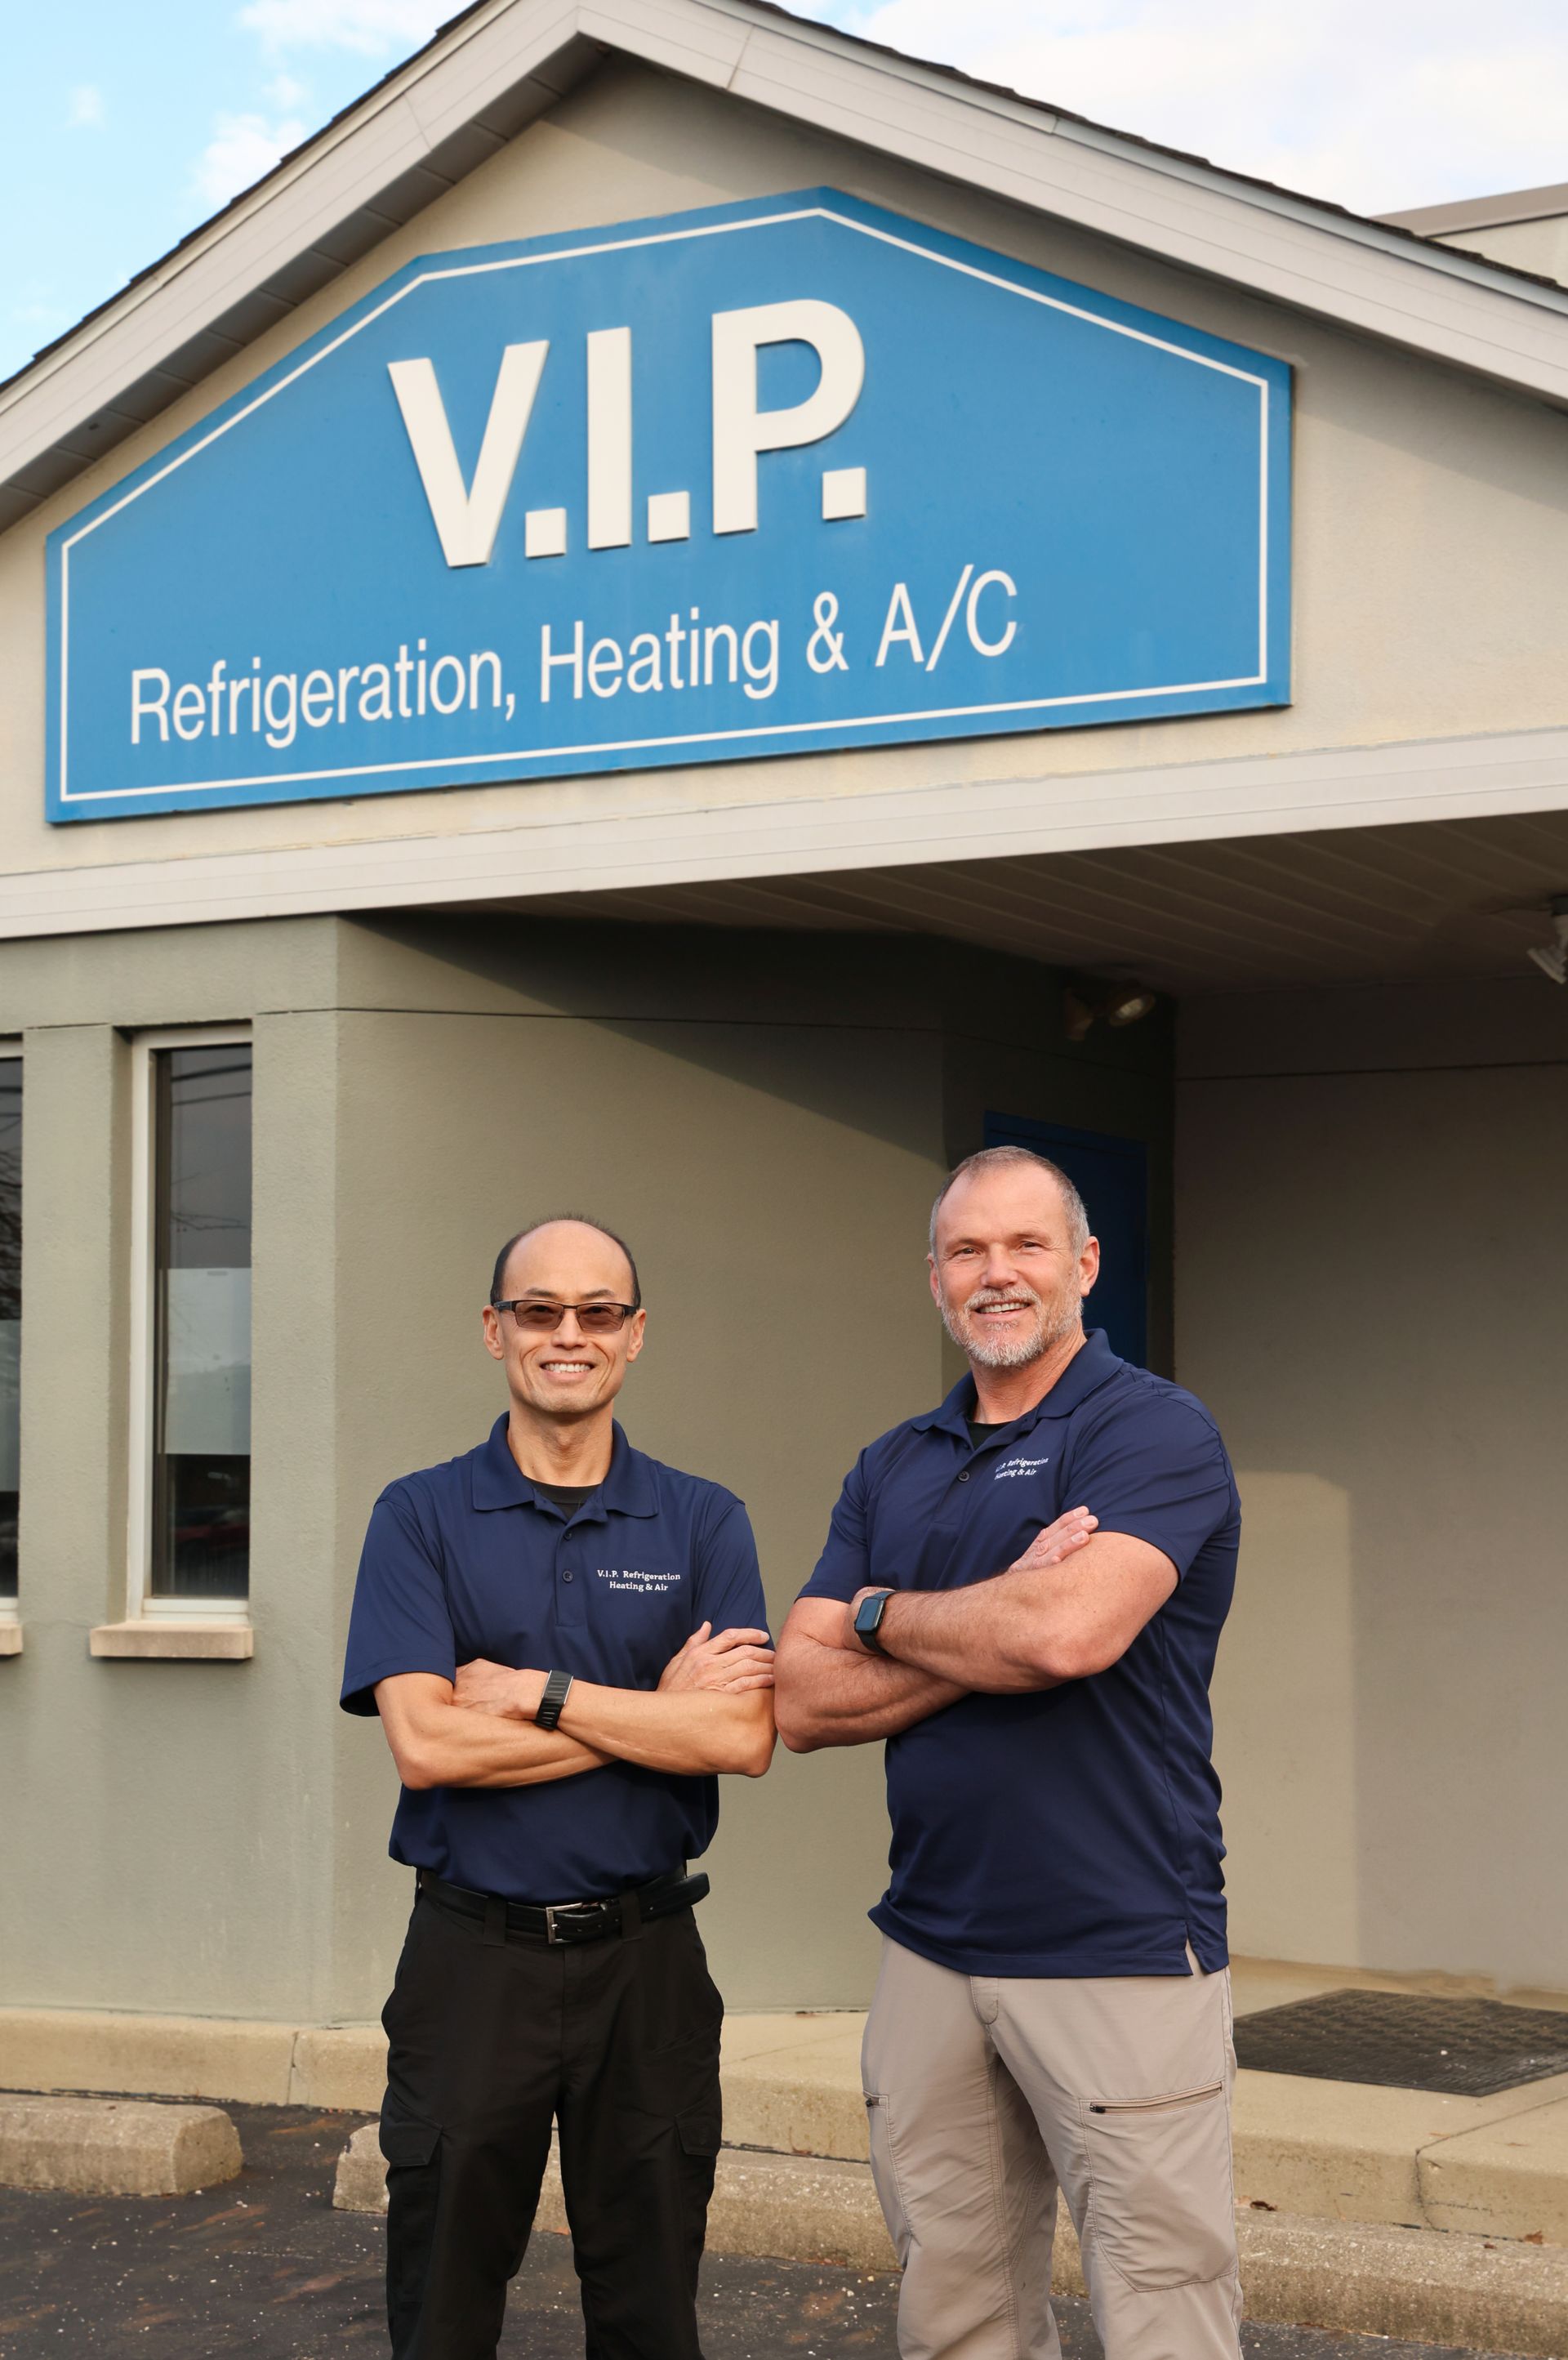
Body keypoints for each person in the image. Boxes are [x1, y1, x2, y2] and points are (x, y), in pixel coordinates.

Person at [774, 1144, 1244, 2360]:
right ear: (934, 1278)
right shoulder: (894, 1460)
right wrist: (987, 1610)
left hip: (1118, 1943)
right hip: (930, 1943)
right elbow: (803, 1697)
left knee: (1163, 2306)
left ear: (1084, 1264)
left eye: (1027, 1244)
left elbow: (1069, 1631)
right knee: (956, 2299)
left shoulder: (1154, 1430)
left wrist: (879, 1610)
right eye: (968, 1250)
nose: (998, 1273)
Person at [341, 1214, 775, 2360]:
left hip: (650, 1966)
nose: (568, 1334)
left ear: (636, 1336)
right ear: (496, 1330)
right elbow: (427, 1746)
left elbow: (742, 1733)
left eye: (598, 1312)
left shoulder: (702, 1518)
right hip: (471, 1959)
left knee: (650, 2314)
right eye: (540, 1310)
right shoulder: (419, 1515)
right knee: (442, 2307)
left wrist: (536, 1694)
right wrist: (652, 1713)